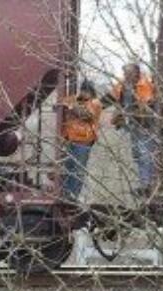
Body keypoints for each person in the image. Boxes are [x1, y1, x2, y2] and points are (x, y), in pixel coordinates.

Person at [104, 63, 158, 196]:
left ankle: (147, 185)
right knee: (138, 155)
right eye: (124, 74)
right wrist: (95, 106)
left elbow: (147, 106)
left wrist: (125, 113)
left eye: (128, 73)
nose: (125, 76)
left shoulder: (144, 84)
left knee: (145, 154)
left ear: (136, 73)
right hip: (132, 126)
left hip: (145, 126)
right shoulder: (123, 85)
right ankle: (144, 183)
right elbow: (108, 98)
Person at [60, 80, 102, 202]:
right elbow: (64, 102)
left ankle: (73, 195)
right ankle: (67, 194)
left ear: (91, 92)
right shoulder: (77, 100)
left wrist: (72, 105)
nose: (83, 94)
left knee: (78, 170)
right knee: (69, 168)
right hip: (71, 140)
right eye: (83, 91)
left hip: (83, 141)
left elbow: (86, 115)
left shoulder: (95, 103)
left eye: (86, 91)